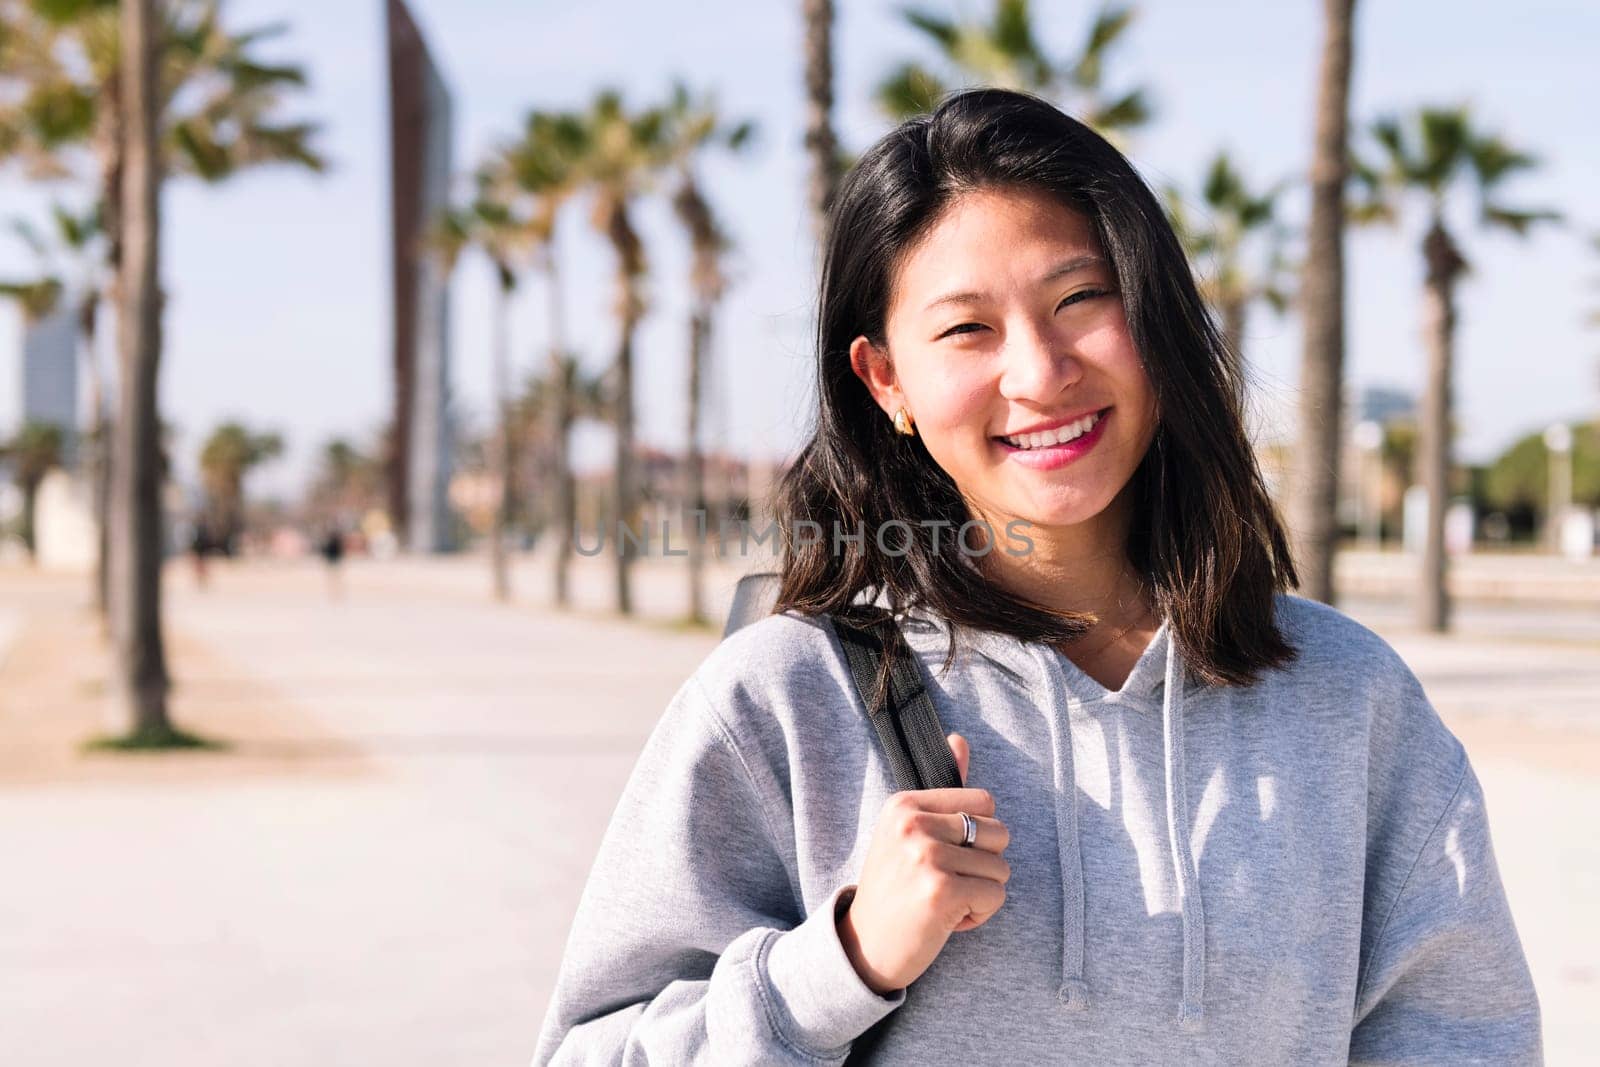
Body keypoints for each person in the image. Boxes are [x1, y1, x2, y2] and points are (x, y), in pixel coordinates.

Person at [531, 89, 1540, 1065]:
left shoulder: (1345, 693)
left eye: (1081, 299)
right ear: (887, 381)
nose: (1040, 372)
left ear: (1155, 320)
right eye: (967, 329)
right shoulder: (782, 699)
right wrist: (839, 959)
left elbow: (1463, 1033)